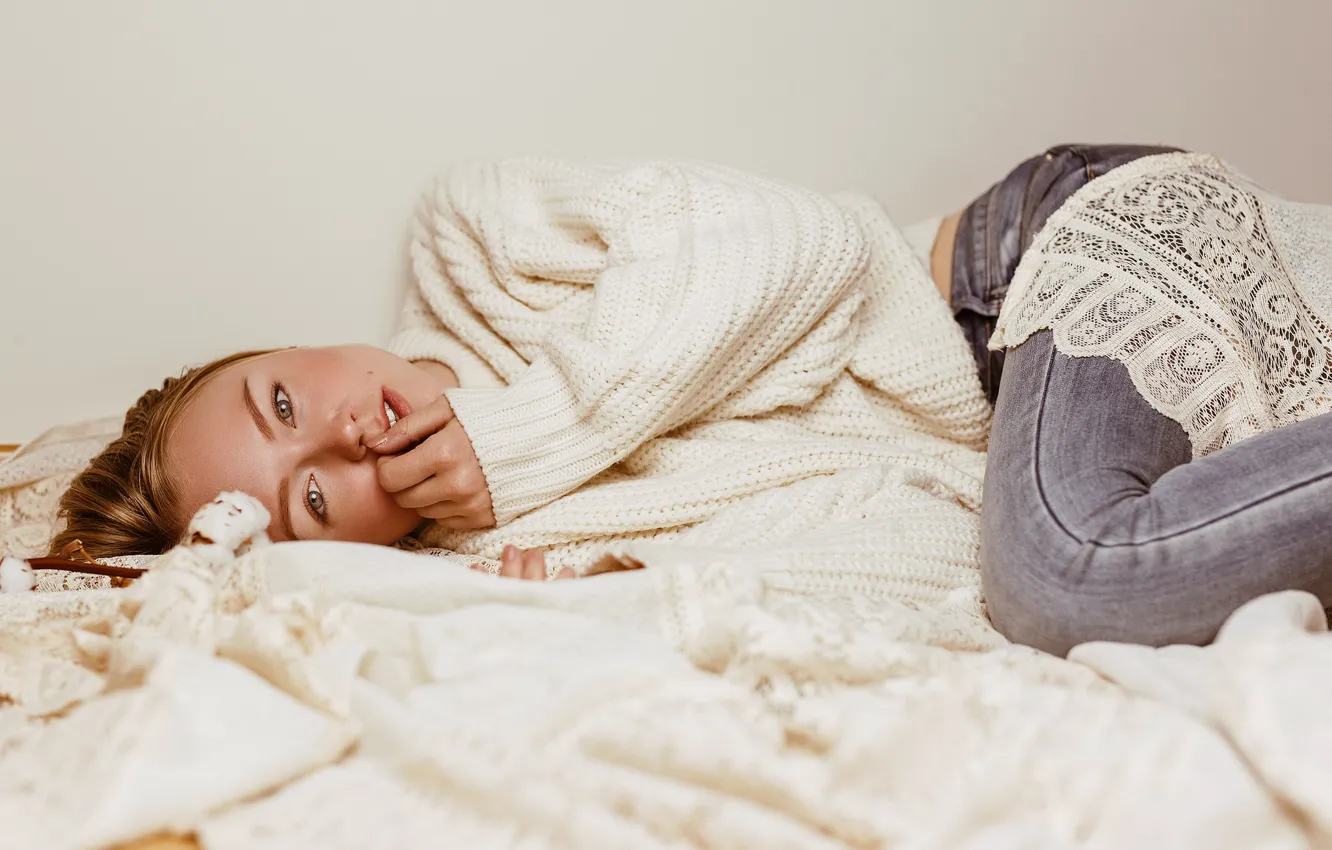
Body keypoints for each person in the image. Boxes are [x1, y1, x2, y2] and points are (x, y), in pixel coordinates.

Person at [49, 146, 1332, 655]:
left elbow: (794, 243)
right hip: (1039, 425)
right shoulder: (512, 564)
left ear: (285, 347)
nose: (339, 430)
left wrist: (527, 432)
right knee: (1058, 572)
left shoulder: (476, 251)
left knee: (1074, 573)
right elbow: (929, 543)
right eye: (314, 494)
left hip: (1027, 266)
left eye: (282, 398)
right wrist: (617, 584)